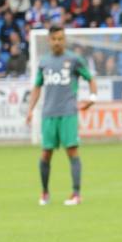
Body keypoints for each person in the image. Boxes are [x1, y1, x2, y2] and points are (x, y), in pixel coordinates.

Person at [25, 25, 96, 205]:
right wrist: (30, 110)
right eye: (54, 39)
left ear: (64, 40)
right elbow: (37, 87)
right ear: (49, 40)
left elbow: (90, 78)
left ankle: (76, 194)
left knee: (72, 151)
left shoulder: (74, 60)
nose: (57, 42)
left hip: (68, 113)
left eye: (60, 39)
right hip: (48, 114)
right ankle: (44, 193)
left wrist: (92, 98)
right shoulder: (44, 62)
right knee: (46, 154)